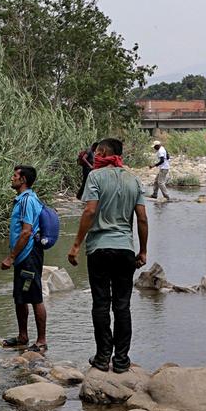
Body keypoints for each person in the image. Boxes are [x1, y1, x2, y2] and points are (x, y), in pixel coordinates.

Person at [68, 138, 148, 372]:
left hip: (99, 249)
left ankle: (103, 357)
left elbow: (90, 210)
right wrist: (142, 250)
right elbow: (142, 218)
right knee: (122, 306)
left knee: (101, 304)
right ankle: (122, 360)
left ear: (102, 153)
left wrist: (75, 245)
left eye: (97, 153)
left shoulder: (95, 177)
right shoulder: (134, 179)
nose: (95, 157)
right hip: (125, 249)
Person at [1, 165, 47, 353]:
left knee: (34, 296)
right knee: (20, 297)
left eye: (15, 176)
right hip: (23, 256)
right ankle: (23, 337)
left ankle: (42, 341)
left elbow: (26, 232)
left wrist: (11, 257)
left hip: (28, 256)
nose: (12, 178)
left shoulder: (28, 200)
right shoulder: (21, 200)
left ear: (23, 180)